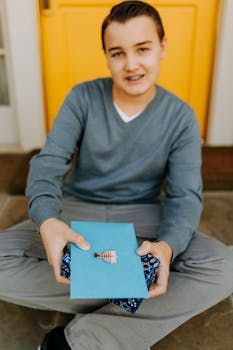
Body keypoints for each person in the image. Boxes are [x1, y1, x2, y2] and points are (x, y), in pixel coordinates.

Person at [0, 1, 232, 349]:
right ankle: (136, 298)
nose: (131, 64)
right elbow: (48, 163)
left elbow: (184, 197)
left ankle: (84, 340)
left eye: (143, 49)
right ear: (106, 56)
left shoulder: (181, 117)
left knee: (224, 267)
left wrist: (167, 249)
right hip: (78, 214)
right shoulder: (82, 98)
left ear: (163, 46)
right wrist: (47, 220)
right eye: (117, 53)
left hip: (144, 219)